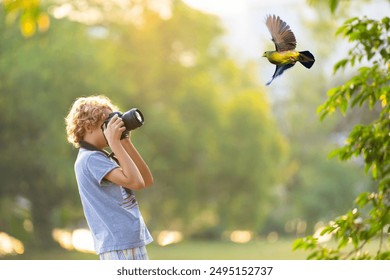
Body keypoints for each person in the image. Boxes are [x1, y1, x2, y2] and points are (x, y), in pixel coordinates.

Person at [65, 95, 154, 260]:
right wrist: (115, 143)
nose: (113, 128)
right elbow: (136, 183)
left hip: (128, 242)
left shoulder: (100, 156)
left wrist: (125, 142)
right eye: (107, 123)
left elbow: (146, 180)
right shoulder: (90, 158)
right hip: (118, 245)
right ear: (88, 126)